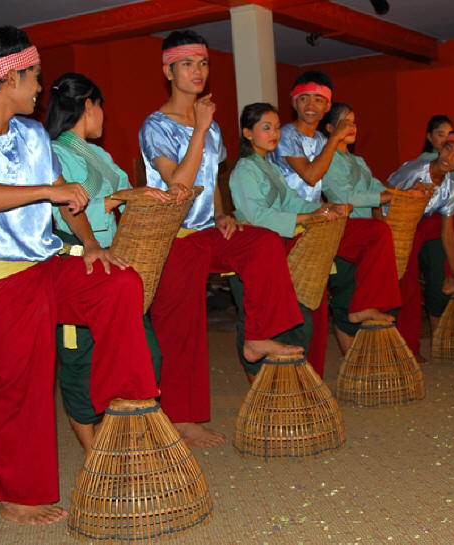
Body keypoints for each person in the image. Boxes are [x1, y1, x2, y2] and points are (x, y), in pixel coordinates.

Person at [0, 26, 159, 525]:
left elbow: (68, 198)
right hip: (2, 278)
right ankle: (18, 495)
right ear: (9, 77)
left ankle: (122, 400)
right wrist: (46, 192)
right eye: (34, 75)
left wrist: (94, 245)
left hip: (48, 266)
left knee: (120, 283)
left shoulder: (34, 135)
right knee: (21, 385)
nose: (40, 87)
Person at [139, 30, 304, 447]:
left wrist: (222, 214)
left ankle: (257, 337)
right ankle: (181, 420)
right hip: (171, 237)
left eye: (203, 63)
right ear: (168, 71)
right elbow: (179, 184)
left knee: (263, 242)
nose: (198, 71)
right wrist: (199, 128)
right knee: (181, 330)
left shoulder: (210, 126)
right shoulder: (156, 126)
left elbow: (211, 179)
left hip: (206, 232)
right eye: (187, 64)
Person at [45, 72, 169, 454]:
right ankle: (93, 451)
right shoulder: (55, 152)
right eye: (102, 108)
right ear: (89, 105)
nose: (105, 117)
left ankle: (128, 433)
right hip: (77, 254)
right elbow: (63, 209)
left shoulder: (98, 154)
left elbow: (124, 195)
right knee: (81, 357)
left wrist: (150, 198)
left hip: (113, 254)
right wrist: (119, 199)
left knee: (144, 350)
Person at [270, 72, 401, 362]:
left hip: (317, 223)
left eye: (319, 100)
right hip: (289, 224)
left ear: (327, 106)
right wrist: (334, 139)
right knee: (304, 308)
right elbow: (311, 175)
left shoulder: (320, 139)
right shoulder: (286, 136)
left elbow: (329, 187)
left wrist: (398, 194)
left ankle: (337, 362)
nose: (311, 105)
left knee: (329, 297)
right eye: (304, 99)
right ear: (293, 102)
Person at [228, 102, 346, 375]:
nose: (274, 134)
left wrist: (321, 209)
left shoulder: (270, 168)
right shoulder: (244, 170)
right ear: (247, 133)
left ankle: (286, 381)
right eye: (266, 127)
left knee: (296, 316)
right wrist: (306, 218)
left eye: (277, 127)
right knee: (259, 318)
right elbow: (257, 217)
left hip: (275, 249)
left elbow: (292, 202)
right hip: (252, 254)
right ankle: (261, 385)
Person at [388, 129, 454, 356]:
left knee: (412, 289)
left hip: (415, 229)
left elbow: (447, 233)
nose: (449, 157)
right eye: (448, 149)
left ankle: (409, 349)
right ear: (440, 148)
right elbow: (383, 193)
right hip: (393, 225)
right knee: (404, 288)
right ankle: (404, 350)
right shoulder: (416, 170)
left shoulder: (449, 187)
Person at [319, 102, 401, 353]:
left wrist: (403, 193)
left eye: (354, 122)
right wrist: (382, 197)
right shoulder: (327, 159)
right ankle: (352, 362)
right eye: (345, 122)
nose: (352, 127)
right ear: (330, 128)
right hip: (343, 230)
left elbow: (377, 187)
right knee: (346, 296)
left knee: (359, 287)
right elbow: (345, 196)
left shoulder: (359, 161)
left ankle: (363, 357)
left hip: (365, 236)